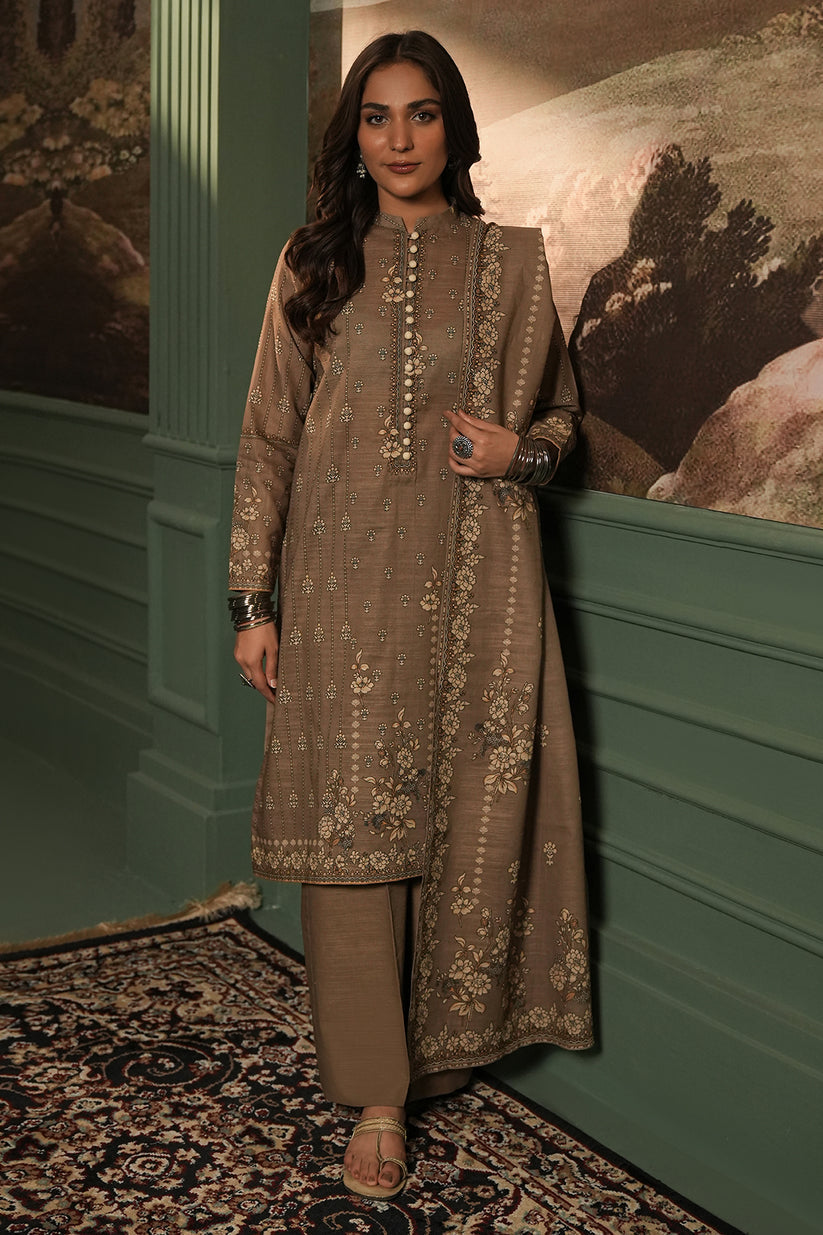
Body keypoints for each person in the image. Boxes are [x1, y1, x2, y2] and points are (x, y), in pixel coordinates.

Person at [228, 29, 593, 1200]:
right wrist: (253, 600)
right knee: (352, 836)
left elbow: (562, 424)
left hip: (477, 584)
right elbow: (268, 438)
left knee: (464, 807)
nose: (398, 139)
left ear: (454, 130)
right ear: (354, 137)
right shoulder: (313, 262)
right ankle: (377, 1097)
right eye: (377, 118)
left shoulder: (515, 264)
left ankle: (442, 1048)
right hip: (336, 592)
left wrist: (517, 453)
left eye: (421, 115)